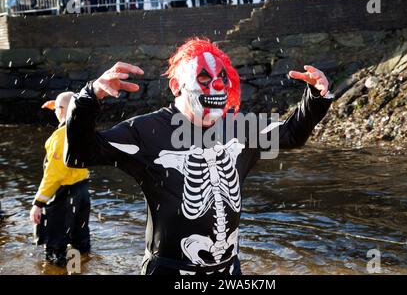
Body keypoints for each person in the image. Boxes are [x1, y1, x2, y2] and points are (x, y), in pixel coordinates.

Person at [64, 38, 333, 275]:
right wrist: (89, 97)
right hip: (169, 270)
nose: (216, 87)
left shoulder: (239, 128)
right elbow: (80, 154)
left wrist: (316, 97)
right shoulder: (146, 131)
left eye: (222, 79)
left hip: (229, 270)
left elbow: (291, 134)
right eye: (204, 79)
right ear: (176, 86)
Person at [30, 91, 91, 267]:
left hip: (64, 195)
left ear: (62, 110)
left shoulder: (59, 137)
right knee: (80, 241)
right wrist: (58, 106)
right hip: (82, 192)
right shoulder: (82, 128)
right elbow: (72, 108)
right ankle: (80, 269)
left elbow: (53, 174)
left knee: (55, 247)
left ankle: (57, 270)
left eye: (57, 108)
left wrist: (38, 203)